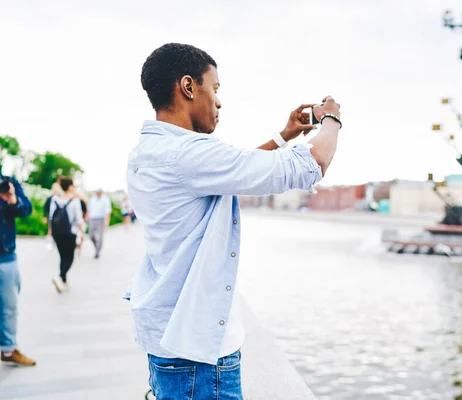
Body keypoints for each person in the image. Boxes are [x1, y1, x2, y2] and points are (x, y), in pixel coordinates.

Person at [125, 43, 341, 399]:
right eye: (216, 88)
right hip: (199, 359)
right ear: (189, 87)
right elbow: (310, 164)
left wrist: (283, 136)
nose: (219, 101)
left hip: (171, 342)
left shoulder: (149, 150)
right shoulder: (187, 153)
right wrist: (331, 119)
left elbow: (232, 171)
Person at [0, 176, 35, 366]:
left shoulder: (8, 183)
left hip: (5, 255)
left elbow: (26, 209)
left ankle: (8, 350)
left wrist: (12, 199)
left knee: (9, 307)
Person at [48, 177, 85, 293]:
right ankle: (60, 276)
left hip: (57, 233)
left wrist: (50, 232)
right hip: (70, 233)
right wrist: (82, 233)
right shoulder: (75, 201)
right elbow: (79, 219)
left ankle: (63, 281)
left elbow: (50, 217)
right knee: (69, 258)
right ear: (69, 187)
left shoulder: (54, 199)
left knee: (63, 257)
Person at [87, 188, 111, 259]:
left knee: (100, 237)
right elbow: (89, 209)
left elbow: (107, 211)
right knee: (90, 235)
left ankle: (97, 251)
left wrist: (106, 222)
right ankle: (96, 246)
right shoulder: (92, 199)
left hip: (101, 220)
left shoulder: (105, 199)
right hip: (92, 219)